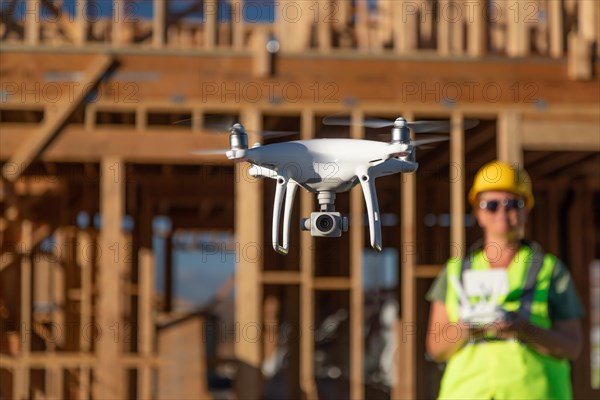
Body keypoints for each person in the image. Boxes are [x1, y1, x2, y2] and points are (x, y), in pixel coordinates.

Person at [426, 160, 585, 400]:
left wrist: (523, 329)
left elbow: (572, 346)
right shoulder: (454, 272)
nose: (502, 211)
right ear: (477, 213)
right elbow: (435, 348)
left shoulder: (550, 270)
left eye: (513, 203)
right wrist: (466, 329)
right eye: (491, 204)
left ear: (526, 210)